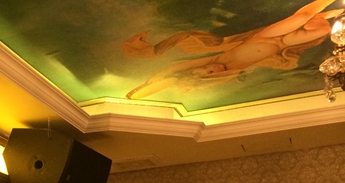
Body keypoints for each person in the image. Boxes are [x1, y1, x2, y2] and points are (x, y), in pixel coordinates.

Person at [123, 0, 343, 99]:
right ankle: (327, 15)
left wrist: (145, 86)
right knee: (320, 31)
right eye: (211, 74)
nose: (213, 69)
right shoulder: (230, 73)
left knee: (302, 16)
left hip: (266, 36)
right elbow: (188, 82)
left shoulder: (214, 61)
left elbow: (174, 72)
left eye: (208, 70)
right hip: (282, 44)